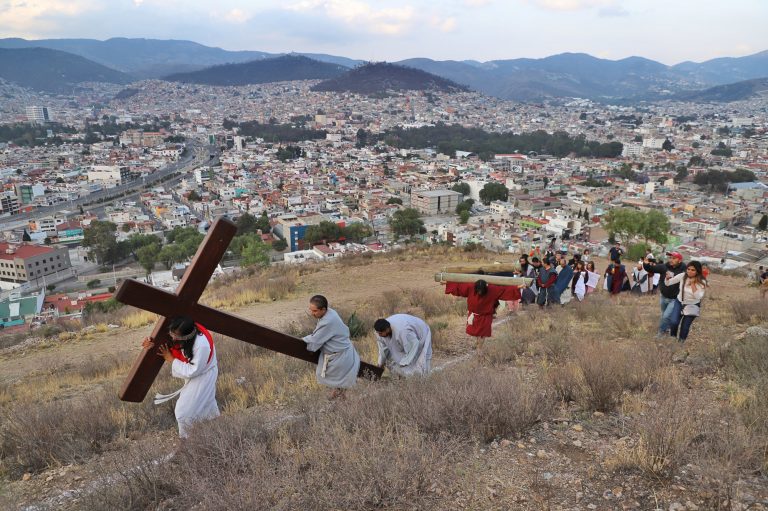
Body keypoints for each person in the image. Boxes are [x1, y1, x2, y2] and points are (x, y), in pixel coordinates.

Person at [142, 316, 219, 438]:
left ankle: (187, 442)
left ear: (185, 337)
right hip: (196, 373)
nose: (172, 337)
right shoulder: (183, 328)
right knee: (206, 406)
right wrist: (152, 344)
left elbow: (193, 371)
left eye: (175, 336)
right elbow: (170, 344)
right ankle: (214, 435)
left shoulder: (201, 345)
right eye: (171, 333)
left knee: (183, 412)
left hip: (203, 376)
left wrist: (171, 360)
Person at [303, 295, 361, 399]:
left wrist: (303, 340)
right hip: (342, 353)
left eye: (315, 311)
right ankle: (336, 397)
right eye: (311, 310)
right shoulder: (329, 313)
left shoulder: (328, 321)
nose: (312, 313)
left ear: (324, 309)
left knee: (341, 382)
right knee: (340, 383)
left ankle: (344, 405)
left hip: (341, 356)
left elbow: (315, 341)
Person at [443, 278, 522, 349]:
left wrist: (518, 287)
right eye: (478, 290)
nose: (480, 292)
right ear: (475, 288)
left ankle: (480, 348)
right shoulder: (471, 287)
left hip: (486, 317)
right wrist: (448, 283)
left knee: (483, 334)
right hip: (474, 315)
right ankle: (478, 343)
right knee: (476, 333)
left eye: (482, 290)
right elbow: (460, 287)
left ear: (485, 288)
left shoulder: (492, 289)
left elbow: (504, 290)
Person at [644, 251, 686, 339]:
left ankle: (661, 333)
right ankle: (667, 328)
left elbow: (694, 274)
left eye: (674, 258)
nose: (671, 260)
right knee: (664, 315)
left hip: (675, 298)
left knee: (666, 316)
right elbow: (652, 269)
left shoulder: (684, 269)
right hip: (663, 296)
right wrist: (646, 264)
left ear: (679, 260)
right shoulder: (664, 267)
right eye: (670, 258)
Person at [665, 261, 708, 343]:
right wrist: (667, 278)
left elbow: (698, 296)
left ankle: (681, 343)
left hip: (692, 305)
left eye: (693, 270)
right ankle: (673, 339)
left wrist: (692, 284)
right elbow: (668, 283)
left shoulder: (702, 281)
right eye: (688, 269)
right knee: (674, 322)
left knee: (685, 326)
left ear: (697, 271)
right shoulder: (682, 276)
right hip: (679, 302)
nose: (689, 271)